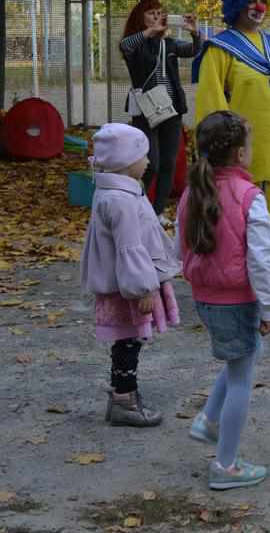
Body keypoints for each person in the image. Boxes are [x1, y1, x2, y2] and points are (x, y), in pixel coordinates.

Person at [178, 111, 270, 490]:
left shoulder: (192, 192)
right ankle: (225, 466)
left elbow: (180, 247)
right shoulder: (249, 197)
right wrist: (268, 307)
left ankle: (208, 420)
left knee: (246, 355)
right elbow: (260, 259)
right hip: (236, 300)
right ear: (240, 154)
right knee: (242, 377)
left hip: (206, 298)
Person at [194, 0, 270, 285]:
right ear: (235, 5)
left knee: (265, 220)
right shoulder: (220, 49)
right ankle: (236, 281)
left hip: (268, 156)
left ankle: (268, 281)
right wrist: (216, 151)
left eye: (262, 0)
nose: (257, 7)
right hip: (235, 158)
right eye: (249, 1)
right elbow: (211, 104)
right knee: (235, 221)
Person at [80, 123, 181, 427]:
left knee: (129, 338)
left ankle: (122, 397)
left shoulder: (115, 192)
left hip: (124, 281)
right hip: (129, 285)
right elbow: (130, 248)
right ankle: (125, 399)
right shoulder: (121, 200)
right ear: (125, 162)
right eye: (143, 156)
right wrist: (144, 288)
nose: (149, 162)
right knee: (129, 339)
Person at [119, 0, 202, 225]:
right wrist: (149, 32)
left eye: (159, 13)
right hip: (146, 110)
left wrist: (195, 32)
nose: (157, 17)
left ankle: (157, 212)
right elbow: (125, 45)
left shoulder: (170, 44)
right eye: (151, 13)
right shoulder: (136, 45)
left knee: (168, 163)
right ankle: (138, 204)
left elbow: (194, 50)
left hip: (172, 109)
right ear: (141, 17)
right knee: (150, 162)